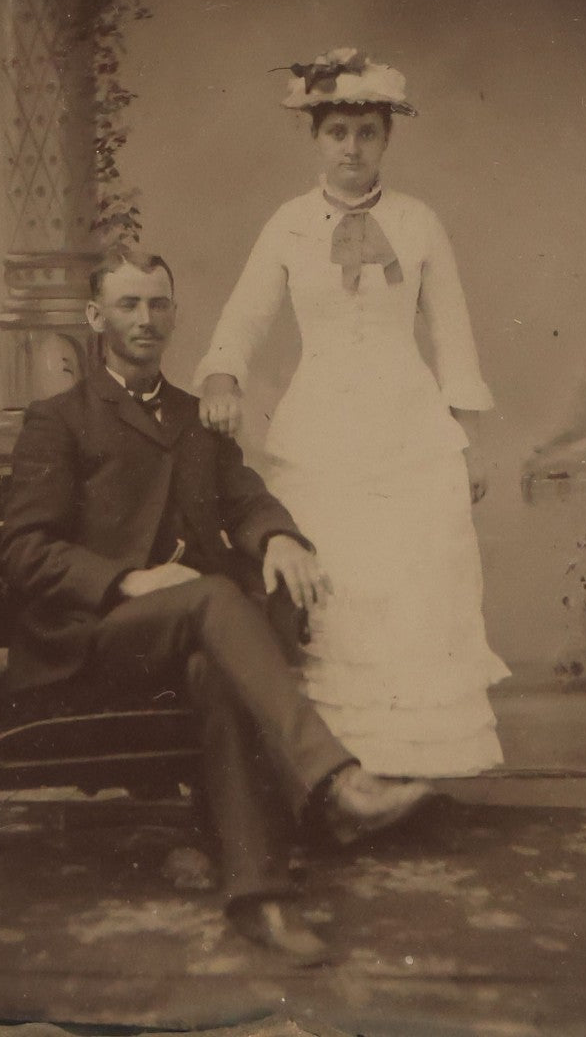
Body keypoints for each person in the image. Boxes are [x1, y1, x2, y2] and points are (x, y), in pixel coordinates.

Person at [0, 247, 431, 965]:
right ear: (95, 317)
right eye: (129, 304)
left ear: (174, 313)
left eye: (158, 303)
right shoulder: (59, 420)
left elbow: (246, 498)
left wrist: (280, 538)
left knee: (215, 670)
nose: (146, 318)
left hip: (187, 637)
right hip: (92, 640)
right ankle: (336, 782)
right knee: (216, 598)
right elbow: (24, 551)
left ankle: (261, 898)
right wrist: (127, 581)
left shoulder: (195, 417)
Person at [196, 48, 509, 779]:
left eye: (367, 132)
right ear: (315, 137)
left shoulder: (419, 222)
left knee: (414, 583)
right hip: (322, 431)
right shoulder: (288, 224)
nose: (352, 148)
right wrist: (222, 376)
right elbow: (243, 320)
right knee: (334, 584)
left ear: (387, 139)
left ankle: (414, 765)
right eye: (337, 132)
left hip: (411, 430)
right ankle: (336, 771)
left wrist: (467, 441)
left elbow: (453, 337)